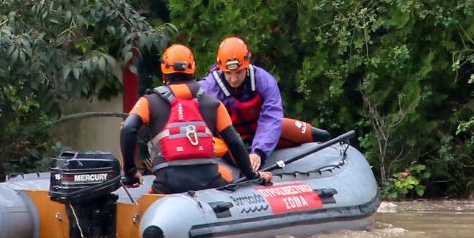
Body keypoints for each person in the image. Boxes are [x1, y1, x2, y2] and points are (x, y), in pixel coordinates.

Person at [120, 44, 272, 194]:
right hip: (209, 180)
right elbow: (234, 142)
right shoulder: (213, 103)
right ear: (192, 69)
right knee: (226, 173)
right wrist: (253, 176)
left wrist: (131, 172)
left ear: (164, 71)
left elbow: (128, 129)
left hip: (168, 183)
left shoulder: (148, 102)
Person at [200, 36, 330, 172]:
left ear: (247, 65)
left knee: (320, 135)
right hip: (230, 137)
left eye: (238, 72)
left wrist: (259, 152)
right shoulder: (209, 87)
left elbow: (272, 117)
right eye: (228, 73)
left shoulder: (264, 80)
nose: (233, 79)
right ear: (221, 69)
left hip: (261, 128)